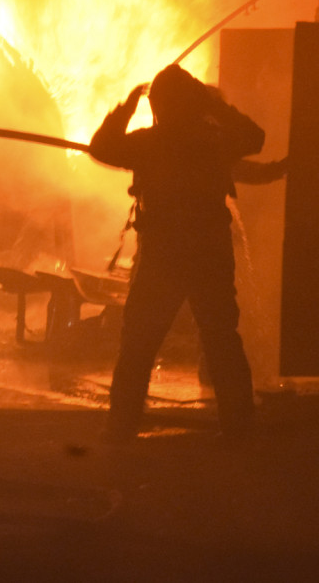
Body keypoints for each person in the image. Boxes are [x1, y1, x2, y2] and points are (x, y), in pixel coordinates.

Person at [89, 64, 265, 441]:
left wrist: (125, 107)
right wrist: (213, 107)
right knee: (221, 338)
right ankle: (239, 427)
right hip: (208, 254)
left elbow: (101, 147)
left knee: (139, 342)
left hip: (164, 256)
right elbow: (255, 136)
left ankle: (121, 428)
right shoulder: (215, 139)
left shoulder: (149, 143)